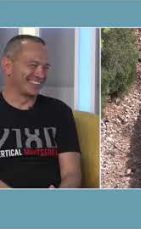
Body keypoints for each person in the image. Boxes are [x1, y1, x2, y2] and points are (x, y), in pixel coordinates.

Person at [0, 35, 82, 188]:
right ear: (7, 66)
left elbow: (72, 173)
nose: (41, 74)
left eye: (46, 67)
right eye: (33, 65)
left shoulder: (60, 111)